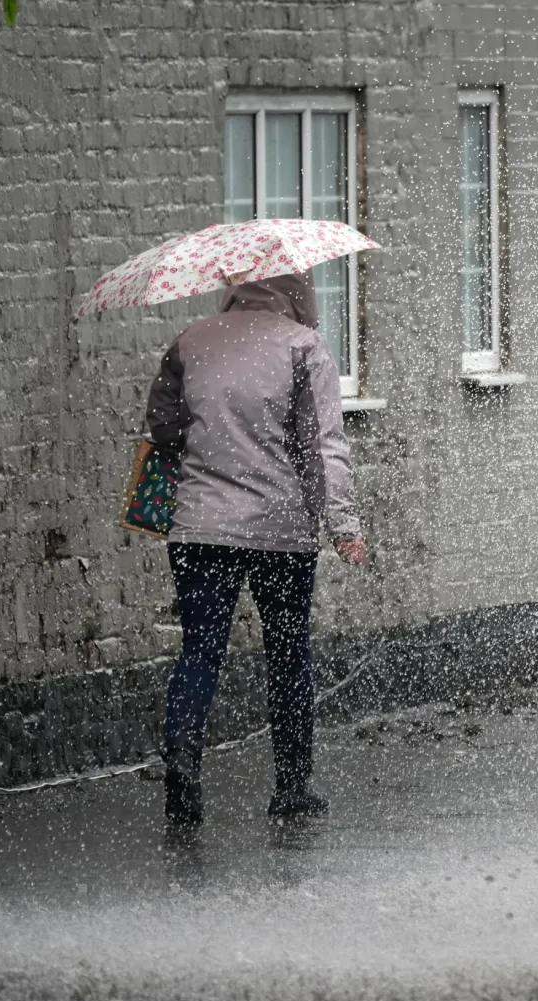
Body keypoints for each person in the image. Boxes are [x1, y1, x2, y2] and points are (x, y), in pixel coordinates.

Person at [145, 269, 365, 827]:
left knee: (200, 651)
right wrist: (341, 524)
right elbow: (324, 445)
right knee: (288, 653)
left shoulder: (190, 339)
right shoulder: (302, 346)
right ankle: (292, 788)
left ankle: (182, 766)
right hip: (280, 531)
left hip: (199, 527)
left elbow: (164, 430)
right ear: (298, 294)